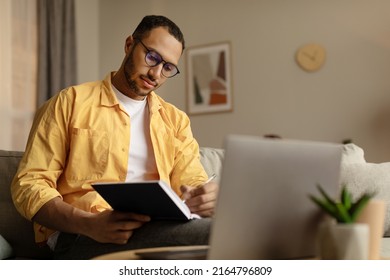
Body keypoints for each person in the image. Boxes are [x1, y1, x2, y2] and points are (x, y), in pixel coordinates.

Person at [11, 15, 219, 259]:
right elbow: (30, 184)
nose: (156, 73)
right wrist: (87, 223)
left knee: (231, 231)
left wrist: (204, 196)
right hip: (81, 234)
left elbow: (191, 181)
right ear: (130, 44)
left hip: (155, 229)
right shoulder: (69, 103)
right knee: (217, 235)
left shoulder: (175, 120)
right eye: (152, 57)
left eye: (168, 68)